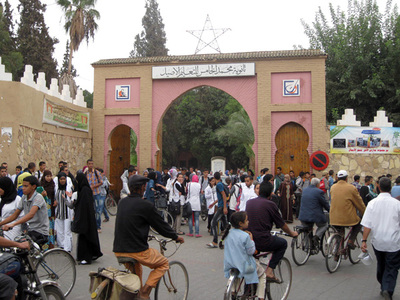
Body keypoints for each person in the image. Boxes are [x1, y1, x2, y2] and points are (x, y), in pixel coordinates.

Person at [113, 175, 184, 300]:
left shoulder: (122, 202)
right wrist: (175, 237)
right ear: (142, 188)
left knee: (137, 272)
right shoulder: (145, 205)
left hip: (119, 250)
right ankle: (145, 292)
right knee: (163, 263)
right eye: (144, 186)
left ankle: (138, 294)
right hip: (136, 250)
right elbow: (160, 225)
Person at [246, 181, 297, 281]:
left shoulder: (249, 202)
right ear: (271, 193)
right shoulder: (271, 205)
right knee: (282, 243)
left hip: (248, 239)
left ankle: (248, 291)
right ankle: (269, 271)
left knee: (253, 262)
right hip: (263, 240)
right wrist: (292, 233)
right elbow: (282, 225)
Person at [361, 177, 400, 300]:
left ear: (378, 187)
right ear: (391, 188)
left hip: (378, 241)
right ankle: (387, 289)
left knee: (381, 264)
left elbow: (367, 224)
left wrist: (363, 240)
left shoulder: (372, 203)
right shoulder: (397, 204)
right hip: (394, 242)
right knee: (392, 267)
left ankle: (384, 286)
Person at [223, 211, 266, 300]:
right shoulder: (245, 236)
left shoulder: (227, 234)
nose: (248, 221)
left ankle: (233, 290)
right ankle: (261, 297)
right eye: (246, 220)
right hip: (245, 265)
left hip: (231, 263)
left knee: (237, 274)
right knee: (262, 275)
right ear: (241, 223)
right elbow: (251, 251)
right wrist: (251, 239)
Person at [0, 176, 49, 247]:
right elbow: (15, 215)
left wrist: (13, 224)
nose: (23, 188)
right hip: (30, 230)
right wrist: (1, 223)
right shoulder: (24, 197)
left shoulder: (38, 198)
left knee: (23, 247)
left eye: (26, 186)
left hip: (39, 231)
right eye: (23, 186)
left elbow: (31, 214)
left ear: (33, 187)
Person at [330, 170, 365, 248]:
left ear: (337, 178)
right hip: (347, 218)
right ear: (346, 178)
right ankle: (351, 240)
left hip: (334, 218)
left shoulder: (333, 187)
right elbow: (359, 203)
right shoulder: (351, 188)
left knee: (339, 231)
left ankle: (338, 250)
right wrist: (364, 212)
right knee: (358, 223)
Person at [73, 172, 102, 265]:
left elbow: (84, 207)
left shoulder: (85, 190)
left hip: (86, 220)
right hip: (86, 219)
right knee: (84, 238)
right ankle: (84, 256)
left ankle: (86, 257)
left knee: (85, 239)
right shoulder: (84, 190)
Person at [298, 178, 330, 245]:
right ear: (318, 184)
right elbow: (325, 203)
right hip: (314, 215)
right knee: (324, 225)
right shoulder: (319, 192)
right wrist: (330, 210)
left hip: (303, 214)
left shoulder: (304, 190)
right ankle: (316, 236)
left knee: (306, 228)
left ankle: (307, 247)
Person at [54, 172, 74, 252]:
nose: (62, 181)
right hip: (59, 212)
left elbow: (72, 199)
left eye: (64, 179)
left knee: (67, 231)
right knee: (60, 231)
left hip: (67, 213)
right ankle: (61, 245)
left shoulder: (69, 188)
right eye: (61, 179)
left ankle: (67, 248)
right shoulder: (56, 188)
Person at [207, 172, 228, 248]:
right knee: (225, 224)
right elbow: (220, 197)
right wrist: (213, 203)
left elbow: (223, 195)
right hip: (221, 205)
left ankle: (215, 241)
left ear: (214, 178)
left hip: (221, 207)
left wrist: (225, 207)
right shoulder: (221, 184)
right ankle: (231, 239)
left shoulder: (218, 185)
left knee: (213, 222)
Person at [0, 177, 24, 241]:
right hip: (2, 231)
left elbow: (22, 216)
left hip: (14, 230)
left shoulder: (17, 200)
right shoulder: (1, 200)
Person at [85, 159, 104, 233]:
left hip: (96, 193)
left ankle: (98, 226)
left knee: (97, 210)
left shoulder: (96, 173)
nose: (91, 165)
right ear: (87, 164)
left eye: (92, 164)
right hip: (89, 194)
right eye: (89, 164)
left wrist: (94, 186)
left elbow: (101, 182)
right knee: (90, 209)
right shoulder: (86, 173)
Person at [39, 170, 56, 249]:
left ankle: (51, 243)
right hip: (44, 207)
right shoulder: (41, 185)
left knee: (51, 226)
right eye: (47, 176)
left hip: (51, 207)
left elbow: (54, 196)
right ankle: (45, 244)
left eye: (50, 176)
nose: (49, 178)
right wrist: (42, 195)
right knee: (44, 226)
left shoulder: (53, 185)